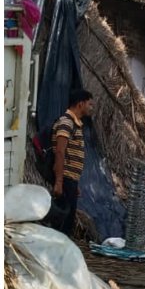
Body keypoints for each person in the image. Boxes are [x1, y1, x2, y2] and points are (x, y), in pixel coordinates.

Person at [50, 88, 94, 238]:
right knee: (63, 225)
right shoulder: (66, 122)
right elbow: (60, 152)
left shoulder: (76, 124)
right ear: (80, 104)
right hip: (65, 179)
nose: (91, 108)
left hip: (70, 180)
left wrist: (74, 183)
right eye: (90, 104)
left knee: (68, 222)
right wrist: (60, 181)